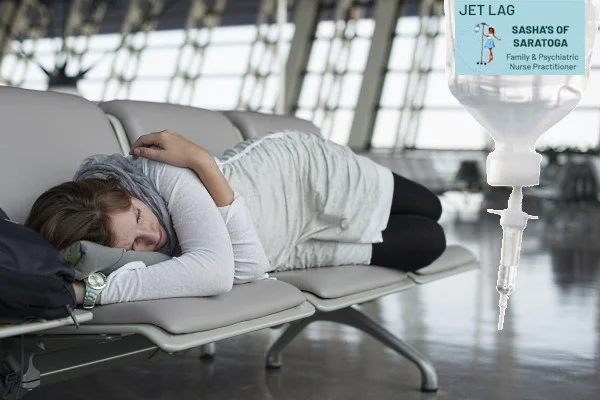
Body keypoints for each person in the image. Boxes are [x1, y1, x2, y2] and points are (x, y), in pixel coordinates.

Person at [26, 129, 445, 307]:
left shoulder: (158, 171)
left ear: (128, 192)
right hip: (283, 247)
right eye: (132, 245)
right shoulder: (115, 242)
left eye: (139, 215)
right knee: (428, 242)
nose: (150, 236)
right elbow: (244, 268)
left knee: (430, 207)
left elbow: (217, 271)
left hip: (298, 177)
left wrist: (202, 164)